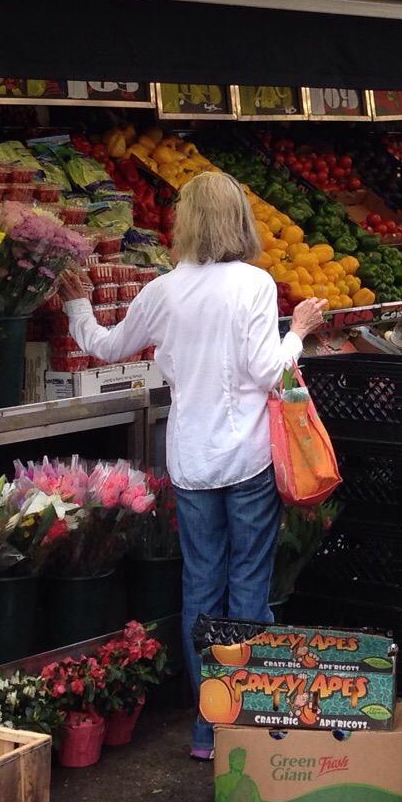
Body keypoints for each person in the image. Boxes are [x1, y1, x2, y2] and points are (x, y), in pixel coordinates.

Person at [57, 169, 325, 757]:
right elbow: (269, 373)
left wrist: (77, 302)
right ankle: (242, 724)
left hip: (191, 461)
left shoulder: (162, 290)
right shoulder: (254, 284)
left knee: (200, 585)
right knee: (248, 582)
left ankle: (206, 729)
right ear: (238, 221)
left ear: (185, 224)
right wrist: (299, 331)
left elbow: (103, 346)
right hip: (249, 458)